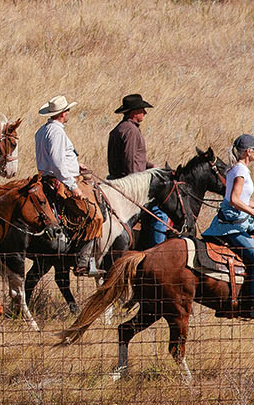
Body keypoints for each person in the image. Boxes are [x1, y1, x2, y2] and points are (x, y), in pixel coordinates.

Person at [203, 134, 254, 321]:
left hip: (231, 224)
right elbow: (234, 200)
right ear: (248, 151)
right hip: (232, 228)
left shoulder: (237, 169)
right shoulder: (241, 172)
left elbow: (242, 199)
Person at [35, 95, 102, 277]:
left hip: (49, 178)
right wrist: (74, 187)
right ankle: (82, 262)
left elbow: (53, 159)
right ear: (63, 113)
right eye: (68, 111)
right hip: (62, 182)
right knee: (94, 216)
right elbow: (57, 163)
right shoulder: (57, 132)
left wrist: (76, 165)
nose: (69, 113)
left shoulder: (42, 130)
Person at [106, 94, 170, 245]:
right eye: (142, 110)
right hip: (130, 184)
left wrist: (150, 166)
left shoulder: (119, 129)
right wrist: (139, 185)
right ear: (134, 113)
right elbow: (130, 161)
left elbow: (130, 157)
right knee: (160, 214)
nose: (145, 113)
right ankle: (158, 249)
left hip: (117, 180)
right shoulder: (131, 131)